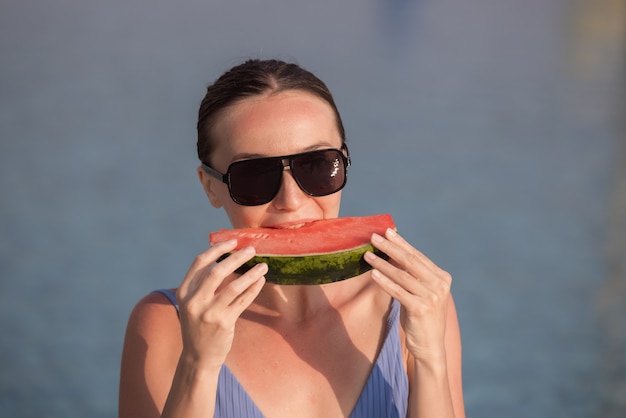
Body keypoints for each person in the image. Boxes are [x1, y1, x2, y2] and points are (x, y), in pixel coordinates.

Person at [119, 58, 465, 418]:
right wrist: (198, 364)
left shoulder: (413, 302)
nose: (291, 200)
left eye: (316, 165)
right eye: (253, 175)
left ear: (344, 163)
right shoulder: (165, 325)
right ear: (211, 187)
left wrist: (430, 359)